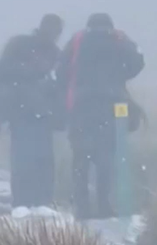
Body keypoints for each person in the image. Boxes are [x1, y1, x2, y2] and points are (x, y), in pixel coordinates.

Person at [55, 13, 145, 219]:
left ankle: (82, 206)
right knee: (107, 154)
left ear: (88, 26)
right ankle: (104, 204)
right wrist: (119, 75)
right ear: (110, 26)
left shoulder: (77, 40)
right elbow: (138, 62)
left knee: (80, 156)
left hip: (81, 105)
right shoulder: (118, 39)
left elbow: (61, 71)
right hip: (112, 104)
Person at [0, 14, 64, 212]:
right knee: (32, 157)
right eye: (53, 30)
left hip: (34, 111)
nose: (54, 35)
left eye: (56, 32)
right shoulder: (23, 45)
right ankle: (28, 202)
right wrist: (33, 73)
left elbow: (3, 69)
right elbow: (5, 70)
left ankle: (35, 202)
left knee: (34, 157)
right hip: (25, 110)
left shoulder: (45, 51)